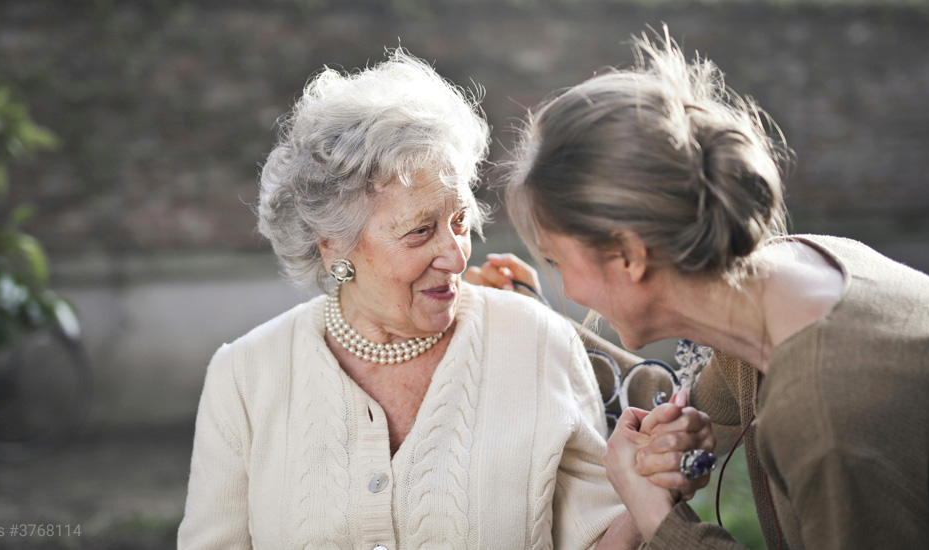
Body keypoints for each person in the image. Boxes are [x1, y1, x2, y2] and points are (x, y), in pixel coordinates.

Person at [176, 50, 713, 549]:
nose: (457, 257)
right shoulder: (244, 377)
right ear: (333, 244)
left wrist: (651, 486)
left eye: (459, 221)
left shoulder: (536, 341)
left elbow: (595, 539)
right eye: (419, 232)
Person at [490, 29, 929, 550]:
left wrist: (661, 521)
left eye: (556, 260)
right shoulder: (792, 275)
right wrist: (671, 443)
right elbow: (688, 414)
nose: (565, 286)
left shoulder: (828, 417)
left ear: (630, 256)